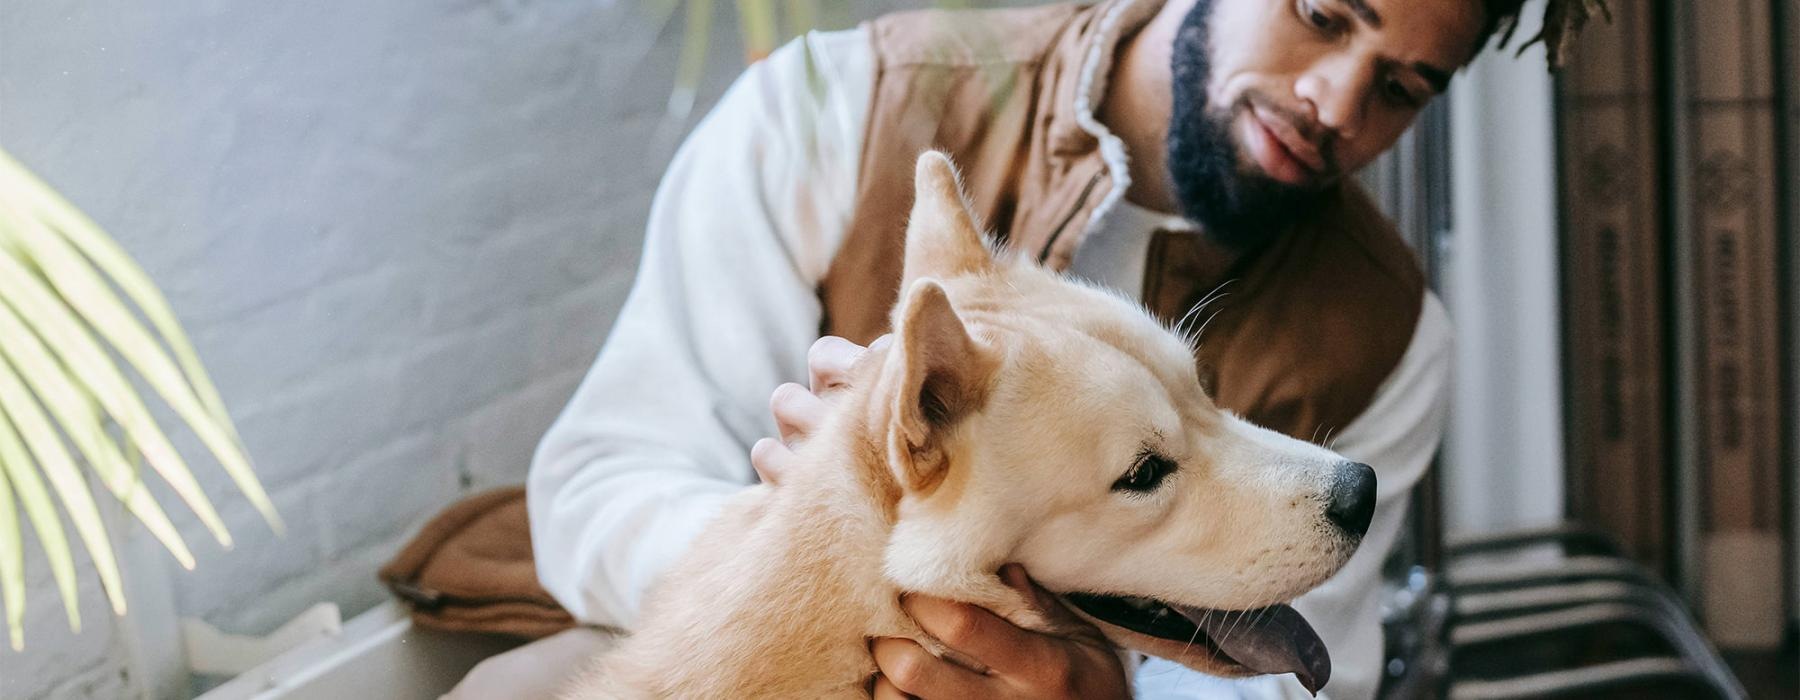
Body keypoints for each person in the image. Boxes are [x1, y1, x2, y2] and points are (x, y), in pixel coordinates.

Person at [507, 0, 1554, 697]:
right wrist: (826, 533)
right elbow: (600, 482)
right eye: (1321, 13)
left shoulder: (1390, 331)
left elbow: (1309, 676)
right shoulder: (831, 108)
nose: (1335, 102)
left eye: (1401, 88)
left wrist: (1099, 687)